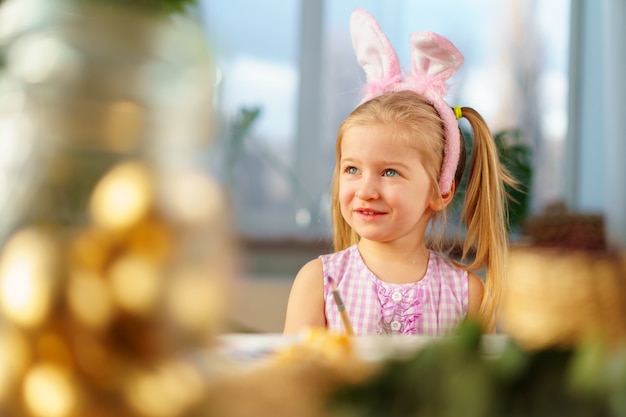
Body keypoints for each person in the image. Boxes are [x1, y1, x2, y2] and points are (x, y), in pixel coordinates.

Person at [283, 8, 514, 335]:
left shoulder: (467, 296)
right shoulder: (317, 283)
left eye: (390, 172)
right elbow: (295, 381)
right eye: (352, 169)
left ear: (440, 190)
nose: (365, 190)